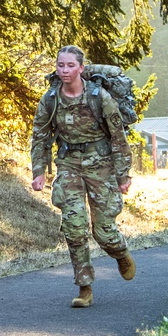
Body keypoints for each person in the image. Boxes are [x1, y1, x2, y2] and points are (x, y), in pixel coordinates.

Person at [30, 44, 136, 308]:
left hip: (101, 165)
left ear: (81, 68)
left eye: (70, 65)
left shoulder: (100, 97)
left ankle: (119, 251)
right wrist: (39, 171)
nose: (64, 71)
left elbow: (118, 138)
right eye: (60, 65)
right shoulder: (50, 99)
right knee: (74, 227)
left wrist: (123, 175)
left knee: (103, 232)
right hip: (68, 165)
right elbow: (40, 136)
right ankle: (84, 286)